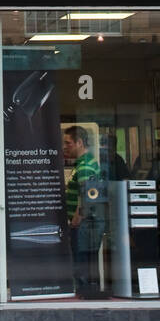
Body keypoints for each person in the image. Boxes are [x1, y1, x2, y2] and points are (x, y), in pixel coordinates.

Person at [63, 125, 104, 298]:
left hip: (84, 223)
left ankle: (85, 296)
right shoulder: (86, 162)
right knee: (86, 262)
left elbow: (86, 194)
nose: (65, 147)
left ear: (79, 142)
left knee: (82, 264)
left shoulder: (85, 166)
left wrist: (77, 217)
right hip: (87, 222)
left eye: (68, 143)